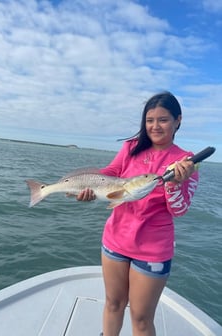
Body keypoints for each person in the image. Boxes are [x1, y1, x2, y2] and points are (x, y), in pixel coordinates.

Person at [77, 91, 199, 336]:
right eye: (149, 120)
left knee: (141, 318)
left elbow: (179, 210)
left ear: (178, 120)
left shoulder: (185, 162)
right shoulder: (131, 147)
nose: (155, 126)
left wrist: (174, 183)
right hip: (115, 241)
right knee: (113, 304)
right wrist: (88, 185)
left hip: (152, 250)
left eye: (163, 120)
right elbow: (110, 172)